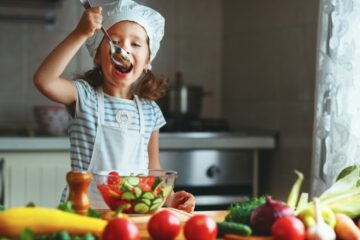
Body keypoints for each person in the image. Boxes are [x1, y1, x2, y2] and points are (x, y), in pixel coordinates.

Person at [33, 0, 195, 213]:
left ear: (147, 60)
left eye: (136, 44)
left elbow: (153, 169)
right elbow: (44, 80)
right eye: (115, 41)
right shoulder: (84, 97)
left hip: (130, 215)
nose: (125, 49)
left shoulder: (150, 111)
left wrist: (170, 198)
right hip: (83, 213)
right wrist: (80, 34)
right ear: (99, 57)